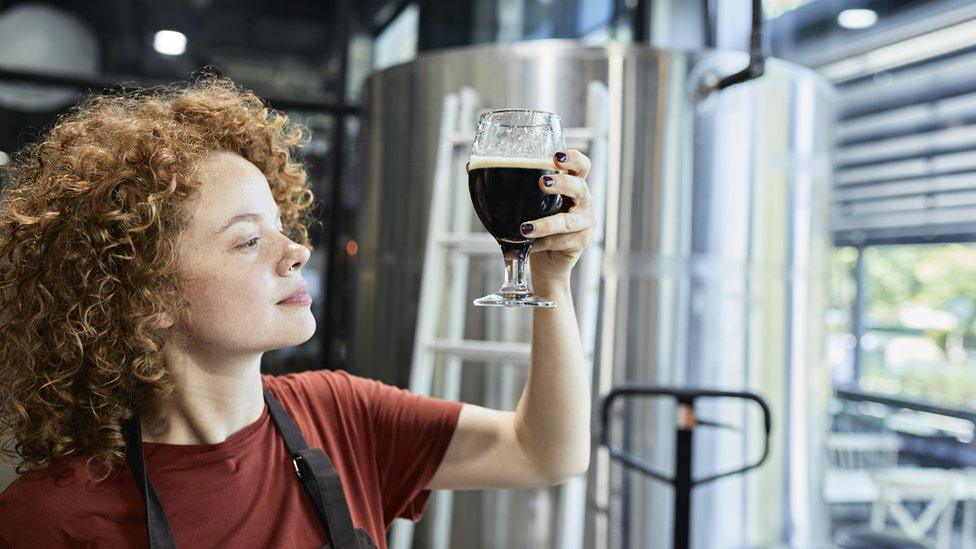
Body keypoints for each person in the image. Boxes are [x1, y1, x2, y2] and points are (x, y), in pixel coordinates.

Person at [0, 76, 597, 548]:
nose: (298, 252)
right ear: (147, 298)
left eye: (281, 226)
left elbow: (545, 451)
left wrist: (552, 280)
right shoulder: (48, 520)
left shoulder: (340, 413)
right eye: (247, 240)